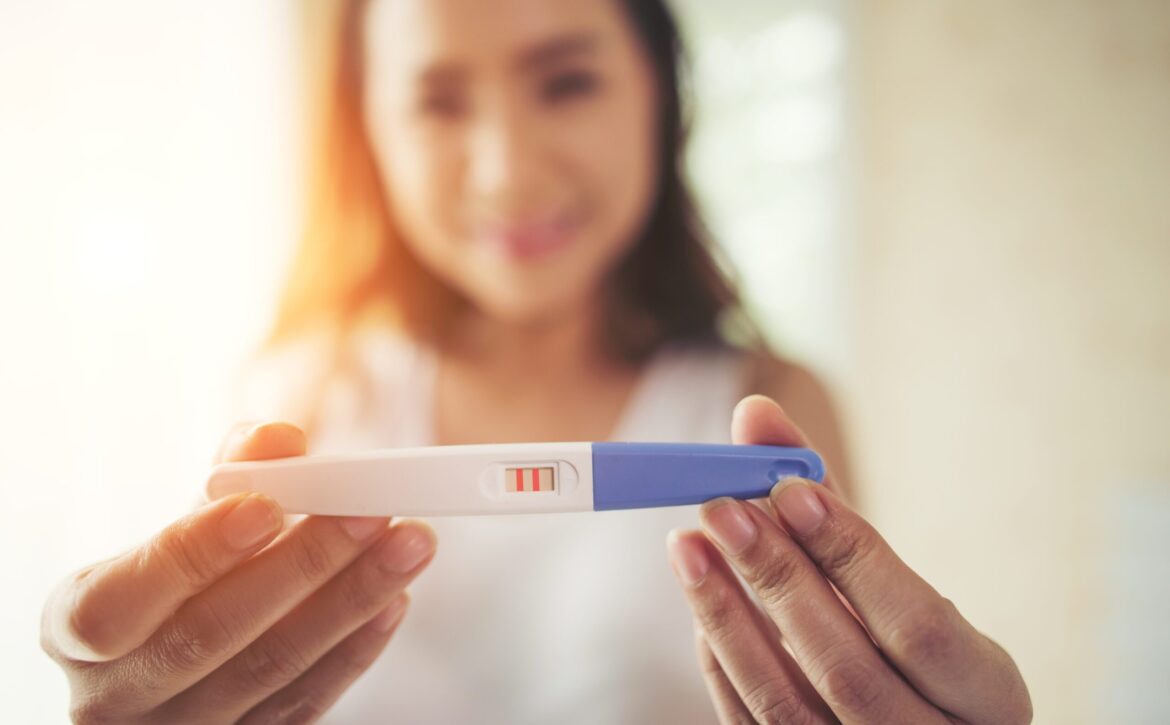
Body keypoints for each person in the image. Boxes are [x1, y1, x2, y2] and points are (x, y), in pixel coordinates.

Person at [40, 0, 1031, 722]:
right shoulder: (301, 393)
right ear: (371, 131)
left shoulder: (763, 408)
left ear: (660, 93)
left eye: (566, 81)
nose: (507, 167)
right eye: (437, 100)